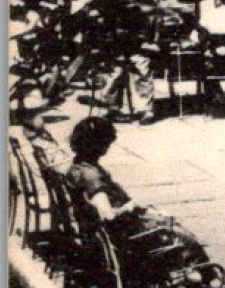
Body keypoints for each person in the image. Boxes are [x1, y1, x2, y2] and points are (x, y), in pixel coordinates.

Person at [65, 116, 210, 276]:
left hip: (107, 233)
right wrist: (130, 206)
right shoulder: (91, 177)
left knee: (172, 224)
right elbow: (108, 215)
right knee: (185, 239)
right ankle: (203, 281)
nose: (107, 148)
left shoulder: (77, 167)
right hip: (124, 236)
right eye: (106, 144)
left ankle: (194, 276)